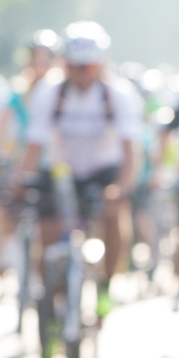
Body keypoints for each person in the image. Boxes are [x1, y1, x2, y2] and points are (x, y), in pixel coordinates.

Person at [19, 22, 142, 317]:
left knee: (114, 215)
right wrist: (22, 183)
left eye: (89, 67)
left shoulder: (119, 94)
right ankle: (52, 298)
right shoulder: (50, 91)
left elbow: (131, 150)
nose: (82, 73)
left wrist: (123, 187)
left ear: (101, 65)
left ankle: (106, 286)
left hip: (102, 169)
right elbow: (34, 147)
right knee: (46, 236)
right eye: (75, 67)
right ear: (65, 65)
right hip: (62, 171)